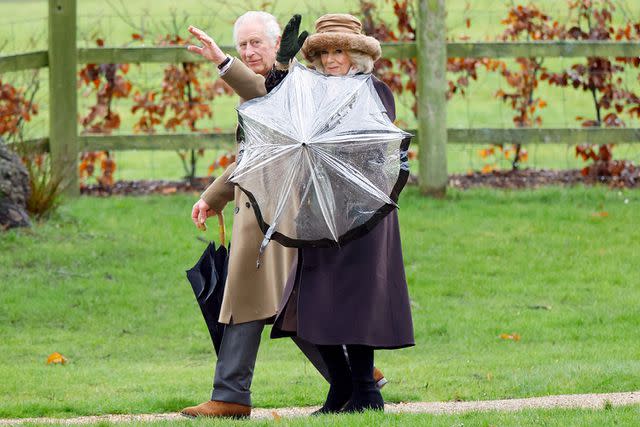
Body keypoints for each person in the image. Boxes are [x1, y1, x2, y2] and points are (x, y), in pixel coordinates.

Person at [267, 14, 415, 414]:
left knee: (356, 299)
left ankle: (366, 393)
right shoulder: (308, 90)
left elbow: (369, 147)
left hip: (363, 210)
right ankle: (342, 387)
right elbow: (277, 108)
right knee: (312, 298)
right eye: (325, 52)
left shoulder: (375, 91)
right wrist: (282, 66)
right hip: (318, 208)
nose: (331, 59)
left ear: (357, 55)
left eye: (340, 51)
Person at [182, 12, 323, 419]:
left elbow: (268, 95)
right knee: (278, 304)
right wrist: (214, 196)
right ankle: (354, 376)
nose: (247, 51)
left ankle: (230, 395)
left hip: (280, 213)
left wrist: (223, 62)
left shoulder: (289, 83)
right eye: (242, 45)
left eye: (255, 43)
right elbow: (252, 156)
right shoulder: (264, 89)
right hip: (261, 210)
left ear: (279, 43)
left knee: (256, 299)